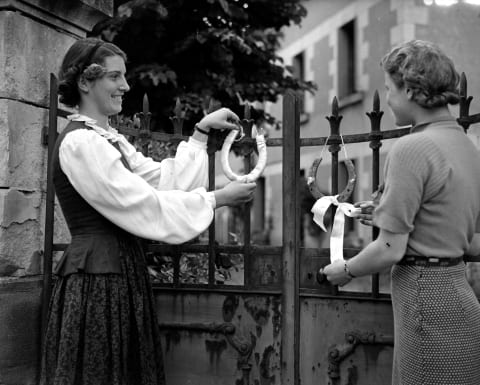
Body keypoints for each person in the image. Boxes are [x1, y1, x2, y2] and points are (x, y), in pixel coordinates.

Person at [40, 37, 256, 385]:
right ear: (85, 82)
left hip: (120, 272)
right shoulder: (81, 143)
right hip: (97, 278)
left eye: (123, 76)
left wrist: (200, 132)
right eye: (114, 77)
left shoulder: (106, 139)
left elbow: (160, 181)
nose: (125, 86)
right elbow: (141, 204)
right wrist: (218, 198)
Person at [322, 40, 480, 385]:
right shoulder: (467, 146)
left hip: (427, 303)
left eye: (390, 88)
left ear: (409, 89)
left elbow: (390, 249)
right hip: (458, 296)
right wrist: (386, 210)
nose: (388, 98)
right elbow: (466, 237)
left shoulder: (412, 147)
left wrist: (345, 270)